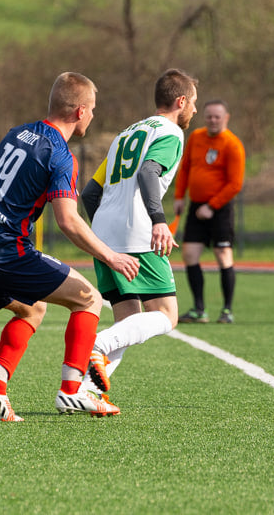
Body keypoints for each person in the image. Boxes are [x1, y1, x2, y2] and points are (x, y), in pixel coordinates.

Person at [0, 72, 140, 422]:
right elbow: (68, 221)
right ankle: (72, 392)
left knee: (32, 309)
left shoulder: (16, 134)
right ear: (80, 111)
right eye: (93, 110)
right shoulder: (60, 155)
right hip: (5, 251)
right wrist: (111, 256)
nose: (93, 116)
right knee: (88, 298)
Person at [78, 69, 197, 404]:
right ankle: (96, 346)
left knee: (127, 321)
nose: (195, 113)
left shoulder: (126, 134)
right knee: (167, 315)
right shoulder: (171, 133)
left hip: (104, 231)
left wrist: (105, 227)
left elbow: (89, 193)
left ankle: (82, 392)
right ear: (181, 101)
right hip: (138, 233)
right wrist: (158, 221)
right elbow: (148, 172)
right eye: (194, 104)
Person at [173, 100, 245, 324]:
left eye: (217, 117)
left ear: (226, 118)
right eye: (209, 116)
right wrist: (179, 197)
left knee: (223, 257)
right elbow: (184, 168)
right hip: (196, 207)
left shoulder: (233, 145)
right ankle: (199, 310)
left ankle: (226, 311)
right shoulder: (196, 137)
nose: (213, 120)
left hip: (220, 210)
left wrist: (212, 206)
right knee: (190, 255)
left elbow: (235, 184)